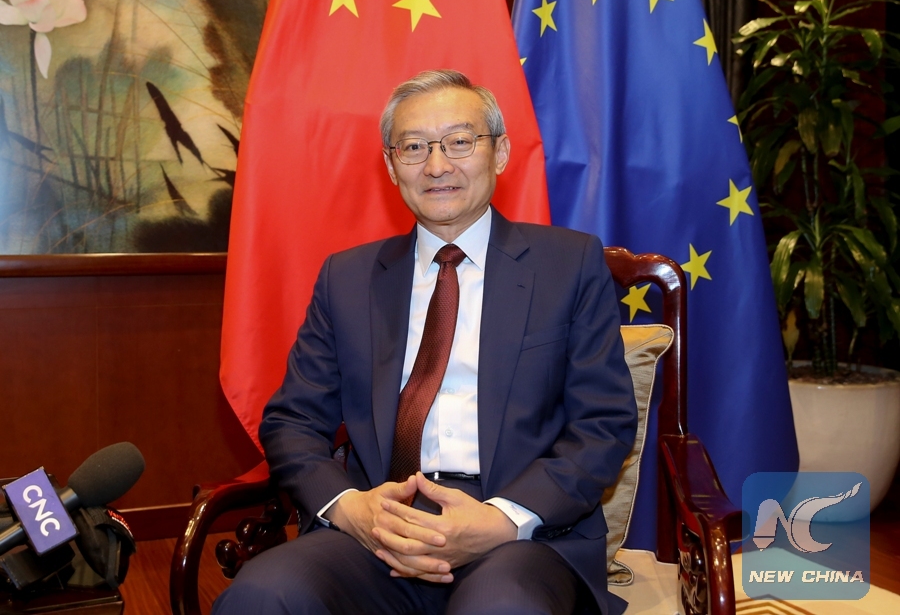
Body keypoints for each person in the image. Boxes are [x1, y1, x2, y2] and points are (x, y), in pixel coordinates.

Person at [212, 69, 637, 615]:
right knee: (260, 596)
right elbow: (291, 421)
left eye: (460, 141)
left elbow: (602, 423)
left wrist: (502, 519)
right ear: (391, 166)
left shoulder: (568, 264)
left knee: (501, 609)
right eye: (414, 147)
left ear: (500, 152)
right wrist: (350, 509)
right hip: (379, 525)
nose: (437, 165)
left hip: (518, 537)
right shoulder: (348, 278)